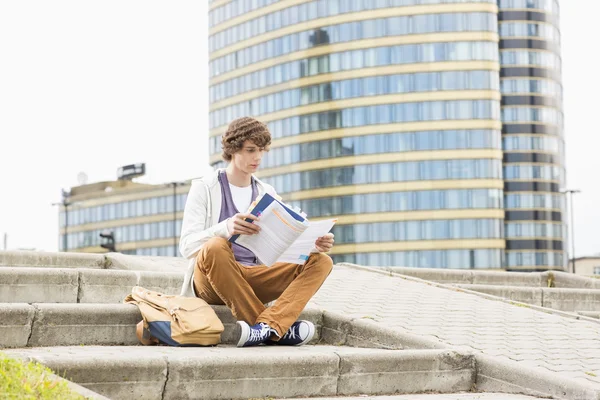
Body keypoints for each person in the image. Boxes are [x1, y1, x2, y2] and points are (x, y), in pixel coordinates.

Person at [178, 116, 335, 347]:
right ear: (233, 149)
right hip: (212, 278)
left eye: (261, 150)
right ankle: (278, 329)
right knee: (216, 246)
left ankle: (265, 328)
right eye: (251, 150)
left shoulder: (266, 191)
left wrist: (313, 244)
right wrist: (225, 227)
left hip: (254, 275)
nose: (258, 157)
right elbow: (187, 246)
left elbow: (279, 244)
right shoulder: (205, 187)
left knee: (322, 262)